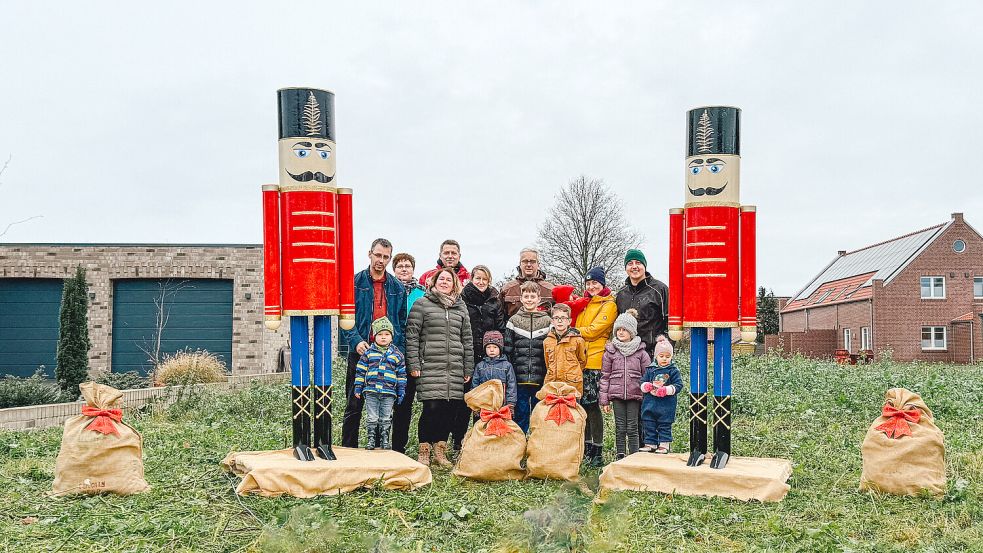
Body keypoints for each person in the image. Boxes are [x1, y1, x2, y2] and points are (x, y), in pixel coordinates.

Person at [341, 239, 407, 450]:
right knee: (354, 403)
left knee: (384, 404)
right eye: (378, 255)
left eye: (385, 257)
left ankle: (380, 450)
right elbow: (345, 317)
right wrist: (356, 341)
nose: (381, 260)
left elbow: (402, 322)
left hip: (388, 355)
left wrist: (399, 351)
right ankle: (349, 449)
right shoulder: (354, 283)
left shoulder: (397, 287)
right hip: (361, 351)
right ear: (369, 254)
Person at [405, 267, 474, 467]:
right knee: (431, 408)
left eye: (449, 280)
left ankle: (440, 451)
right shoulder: (422, 304)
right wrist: (414, 363)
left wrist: (467, 367)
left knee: (449, 410)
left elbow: (467, 340)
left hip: (454, 366)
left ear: (455, 284)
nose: (445, 282)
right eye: (441, 279)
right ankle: (424, 450)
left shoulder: (461, 308)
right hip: (429, 365)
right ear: (434, 282)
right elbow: (412, 336)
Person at [453, 264, 506, 455]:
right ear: (471, 279)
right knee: (465, 401)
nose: (481, 282)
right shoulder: (463, 298)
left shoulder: (494, 299)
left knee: (486, 400)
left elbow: (500, 326)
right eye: (478, 278)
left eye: (484, 279)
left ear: (489, 280)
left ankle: (483, 438)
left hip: (489, 355)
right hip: (468, 354)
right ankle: (458, 441)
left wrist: (498, 350)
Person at [575, 266, 617, 466]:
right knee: (582, 405)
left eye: (595, 283)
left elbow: (594, 330)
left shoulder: (609, 304)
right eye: (589, 283)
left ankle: (598, 449)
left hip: (595, 360)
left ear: (603, 284)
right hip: (580, 360)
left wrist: (573, 330)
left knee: (592, 406)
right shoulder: (584, 303)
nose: (592, 287)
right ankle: (587, 447)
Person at [599, 310, 651, 459]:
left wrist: (647, 393)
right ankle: (620, 454)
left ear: (632, 332)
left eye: (624, 330)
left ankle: (634, 456)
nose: (621, 332)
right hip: (616, 395)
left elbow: (647, 374)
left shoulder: (641, 352)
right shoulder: (610, 351)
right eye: (618, 330)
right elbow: (605, 376)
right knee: (620, 427)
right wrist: (604, 400)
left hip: (635, 395)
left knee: (632, 427)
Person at [503, 281, 551, 433]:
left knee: (539, 414)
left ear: (538, 298)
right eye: (526, 296)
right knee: (521, 414)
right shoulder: (513, 321)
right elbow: (508, 348)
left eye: (532, 296)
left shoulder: (548, 321)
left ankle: (537, 445)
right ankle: (520, 443)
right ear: (521, 299)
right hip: (519, 378)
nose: (529, 299)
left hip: (540, 377)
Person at [353, 317, 407, 450]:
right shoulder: (368, 353)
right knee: (372, 417)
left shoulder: (397, 355)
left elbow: (401, 374)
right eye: (380, 334)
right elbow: (360, 371)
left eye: (387, 334)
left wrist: (401, 390)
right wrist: (358, 387)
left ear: (392, 336)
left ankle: (385, 440)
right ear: (374, 336)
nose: (383, 337)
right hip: (371, 391)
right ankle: (371, 440)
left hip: (389, 392)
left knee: (386, 417)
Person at [615, 249, 670, 358]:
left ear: (644, 266)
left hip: (652, 355)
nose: (634, 266)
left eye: (638, 263)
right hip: (627, 356)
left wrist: (665, 350)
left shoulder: (660, 289)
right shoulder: (621, 294)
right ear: (626, 268)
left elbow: (670, 322)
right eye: (630, 263)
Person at [639, 336, 683, 454]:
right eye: (661, 356)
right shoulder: (650, 370)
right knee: (649, 423)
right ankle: (650, 443)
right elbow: (642, 382)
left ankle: (664, 444)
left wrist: (667, 390)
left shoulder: (673, 370)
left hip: (666, 406)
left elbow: (678, 385)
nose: (664, 359)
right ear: (656, 356)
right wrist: (646, 386)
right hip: (650, 404)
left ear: (671, 357)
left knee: (664, 425)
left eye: (667, 357)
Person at [542, 303, 587, 395]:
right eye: (556, 318)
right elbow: (547, 362)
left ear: (569, 321)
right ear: (552, 321)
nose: (560, 321)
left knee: (571, 409)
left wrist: (573, 373)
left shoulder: (578, 340)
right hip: (552, 384)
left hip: (572, 385)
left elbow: (582, 361)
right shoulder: (547, 341)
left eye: (563, 318)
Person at [470, 331, 517, 415]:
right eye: (488, 347)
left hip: (501, 406)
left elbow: (511, 386)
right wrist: (475, 405)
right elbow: (475, 387)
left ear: (500, 348)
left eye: (495, 347)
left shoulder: (507, 366)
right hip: (483, 406)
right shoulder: (480, 366)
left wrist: (510, 405)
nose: (491, 350)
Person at [500, 248, 555, 317]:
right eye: (525, 261)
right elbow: (499, 317)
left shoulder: (551, 290)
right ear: (520, 264)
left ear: (538, 264)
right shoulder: (507, 289)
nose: (529, 265)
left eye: (532, 261)